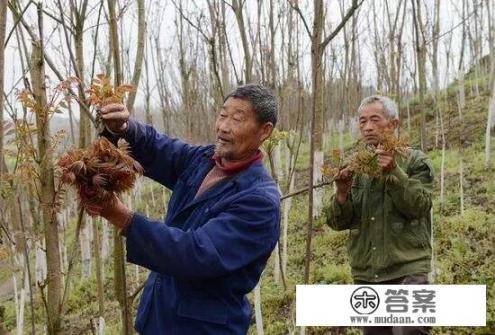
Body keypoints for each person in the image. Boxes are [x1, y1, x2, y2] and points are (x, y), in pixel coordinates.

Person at [90, 84, 281, 334]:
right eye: (223, 115)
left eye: (237, 119)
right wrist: (125, 129)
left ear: (264, 131)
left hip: (202, 327)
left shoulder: (260, 201)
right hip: (159, 317)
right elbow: (161, 149)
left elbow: (196, 254)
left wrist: (122, 217)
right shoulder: (204, 160)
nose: (223, 127)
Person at [325, 95, 434, 335]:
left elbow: (420, 205)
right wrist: (341, 193)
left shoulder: (414, 161)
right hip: (368, 272)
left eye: (375, 119)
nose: (368, 127)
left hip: (408, 267)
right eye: (362, 121)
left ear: (394, 124)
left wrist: (394, 171)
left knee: (410, 331)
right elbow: (337, 222)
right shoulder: (357, 166)